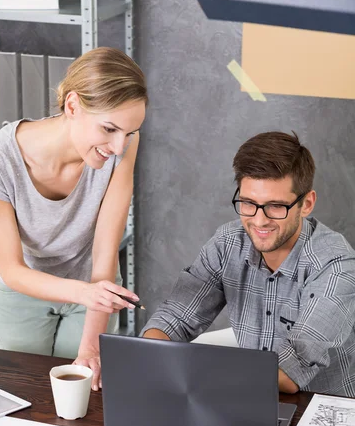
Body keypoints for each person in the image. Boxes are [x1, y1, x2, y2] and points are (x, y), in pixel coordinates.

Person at [0, 47, 147, 392]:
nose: (119, 146)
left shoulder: (122, 147)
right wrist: (85, 293)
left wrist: (91, 344)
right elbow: (12, 268)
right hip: (22, 292)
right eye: (109, 129)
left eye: (129, 132)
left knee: (84, 398)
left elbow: (105, 255)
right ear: (73, 106)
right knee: (26, 395)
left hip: (93, 287)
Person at [142, 131, 355, 397]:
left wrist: (196, 369)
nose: (259, 220)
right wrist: (149, 355)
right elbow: (175, 317)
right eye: (248, 203)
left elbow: (291, 373)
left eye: (276, 206)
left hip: (321, 412)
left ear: (307, 204)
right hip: (247, 396)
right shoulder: (227, 243)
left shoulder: (336, 265)